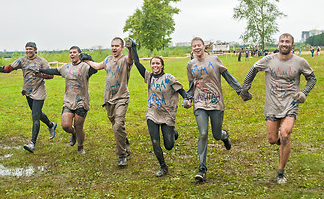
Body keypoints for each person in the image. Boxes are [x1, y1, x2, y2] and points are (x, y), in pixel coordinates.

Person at [240, 33, 316, 184]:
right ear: (278, 44)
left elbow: (312, 78)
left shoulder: (300, 62)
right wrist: (245, 89)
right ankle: (282, 144)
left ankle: (280, 172)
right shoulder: (269, 60)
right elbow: (253, 69)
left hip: (291, 104)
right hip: (272, 105)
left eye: (288, 42)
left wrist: (304, 93)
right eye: (282, 41)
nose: (284, 44)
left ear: (292, 46)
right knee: (272, 139)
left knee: (285, 134)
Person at [186, 37, 242, 182]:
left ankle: (224, 136)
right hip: (199, 103)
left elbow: (227, 76)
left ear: (204, 46)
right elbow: (191, 85)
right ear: (192, 48)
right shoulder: (190, 64)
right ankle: (202, 169)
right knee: (203, 133)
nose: (197, 48)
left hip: (216, 102)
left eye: (199, 45)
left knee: (216, 135)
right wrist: (189, 98)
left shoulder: (215, 59)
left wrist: (239, 90)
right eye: (194, 46)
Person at [129, 39, 187, 177]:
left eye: (157, 63)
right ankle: (163, 166)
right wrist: (133, 47)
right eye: (153, 63)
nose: (155, 65)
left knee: (169, 145)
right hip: (152, 112)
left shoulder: (169, 78)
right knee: (155, 141)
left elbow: (181, 89)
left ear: (162, 65)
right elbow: (137, 63)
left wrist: (186, 98)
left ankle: (173, 133)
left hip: (167, 114)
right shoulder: (149, 77)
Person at [0, 42, 57, 153]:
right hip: (28, 92)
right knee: (37, 113)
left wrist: (40, 74)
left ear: (35, 50)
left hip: (39, 91)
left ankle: (32, 143)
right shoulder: (22, 60)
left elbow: (51, 75)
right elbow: (10, 68)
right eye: (27, 49)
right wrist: (2, 69)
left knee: (35, 116)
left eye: (31, 49)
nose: (28, 51)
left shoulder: (42, 61)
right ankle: (51, 125)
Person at [37, 46, 97, 154]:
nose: (72, 54)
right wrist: (41, 70)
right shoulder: (66, 67)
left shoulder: (84, 66)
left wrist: (90, 59)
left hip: (81, 101)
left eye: (74, 52)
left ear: (79, 54)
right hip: (69, 100)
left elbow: (94, 70)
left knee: (79, 126)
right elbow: (55, 71)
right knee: (66, 126)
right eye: (70, 53)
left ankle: (80, 146)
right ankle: (74, 134)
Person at [83, 37, 133, 167]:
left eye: (117, 46)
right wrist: (87, 60)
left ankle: (121, 155)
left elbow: (131, 58)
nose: (114, 48)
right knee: (116, 125)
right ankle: (125, 144)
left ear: (122, 47)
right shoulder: (108, 59)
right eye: (112, 46)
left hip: (121, 97)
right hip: (108, 98)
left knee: (118, 125)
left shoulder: (125, 60)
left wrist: (131, 48)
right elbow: (97, 66)